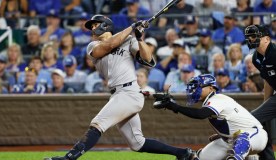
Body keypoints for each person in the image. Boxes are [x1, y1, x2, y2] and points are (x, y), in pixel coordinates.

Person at [44, 14, 197, 160]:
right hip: (118, 94)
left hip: (129, 93)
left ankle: (68, 158)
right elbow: (109, 45)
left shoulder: (129, 40)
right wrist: (132, 27)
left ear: (105, 26)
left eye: (95, 25)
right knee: (137, 143)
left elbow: (149, 60)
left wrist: (139, 38)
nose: (92, 28)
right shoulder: (93, 45)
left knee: (98, 124)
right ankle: (183, 153)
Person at [153, 74, 268, 160]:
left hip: (255, 135)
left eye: (199, 86)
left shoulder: (217, 98)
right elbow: (232, 122)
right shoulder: (211, 102)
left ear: (211, 88)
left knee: (241, 144)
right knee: (196, 158)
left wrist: (174, 106)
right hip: (230, 140)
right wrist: (221, 134)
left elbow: (200, 114)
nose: (195, 90)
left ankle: (249, 157)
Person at [244, 24, 276, 160]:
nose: (251, 39)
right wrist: (266, 104)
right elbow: (268, 80)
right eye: (249, 37)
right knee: (254, 120)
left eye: (255, 36)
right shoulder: (255, 58)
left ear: (267, 39)